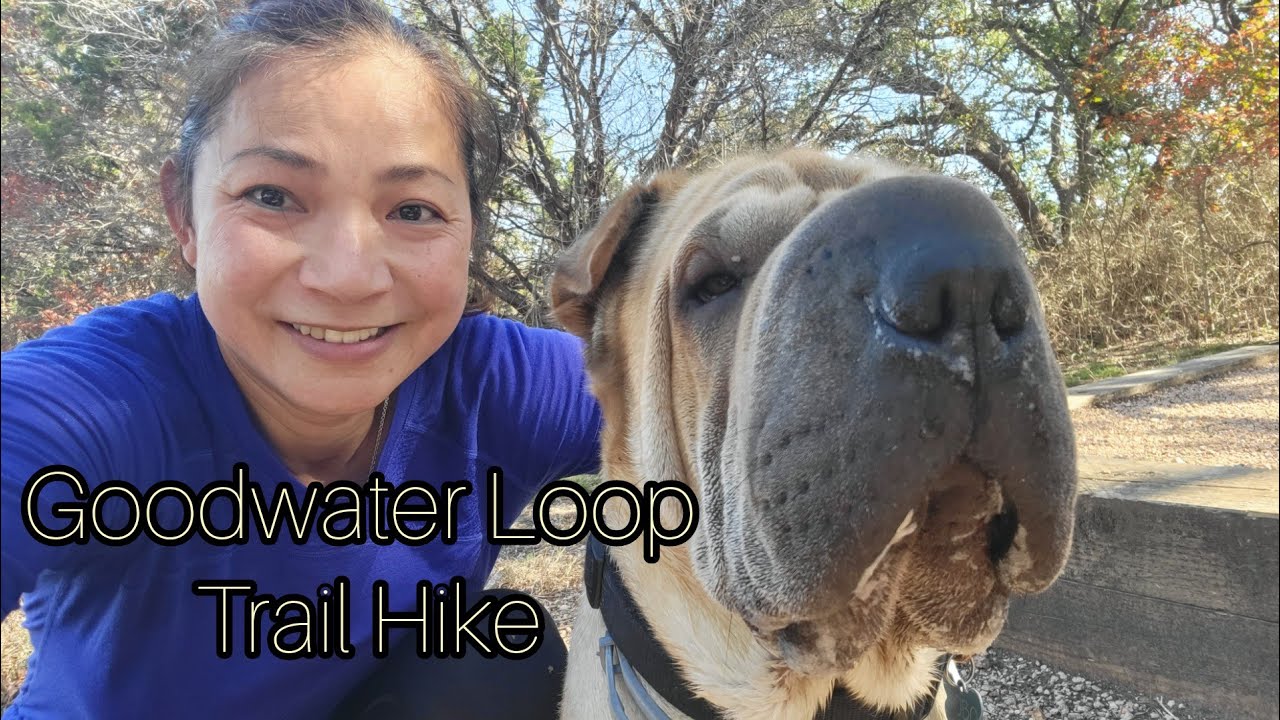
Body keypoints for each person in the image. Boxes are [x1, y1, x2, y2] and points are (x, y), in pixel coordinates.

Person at [0, 1, 602, 718]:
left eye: (412, 210)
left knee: (495, 661)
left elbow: (728, 410)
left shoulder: (491, 385)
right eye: (273, 196)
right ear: (184, 216)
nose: (348, 277)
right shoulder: (103, 399)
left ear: (469, 230)